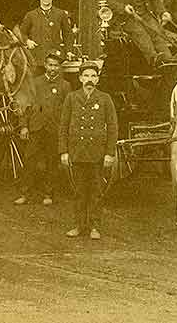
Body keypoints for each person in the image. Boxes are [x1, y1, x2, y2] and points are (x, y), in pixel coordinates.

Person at [58, 60, 117, 240]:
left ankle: (94, 226)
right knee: (78, 191)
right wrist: (64, 151)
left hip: (97, 153)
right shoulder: (72, 98)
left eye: (93, 76)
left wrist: (109, 153)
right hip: (77, 152)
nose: (89, 79)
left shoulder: (105, 99)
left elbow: (113, 126)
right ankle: (78, 225)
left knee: (96, 191)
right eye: (86, 76)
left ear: (97, 79)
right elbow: (63, 125)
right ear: (80, 78)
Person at [15, 50, 71, 207]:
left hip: (53, 129)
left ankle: (48, 194)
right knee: (29, 160)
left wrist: (63, 130)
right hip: (36, 127)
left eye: (56, 66)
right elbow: (25, 106)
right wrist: (24, 126)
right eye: (50, 65)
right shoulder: (35, 82)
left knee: (52, 163)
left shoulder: (65, 86)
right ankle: (25, 193)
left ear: (60, 68)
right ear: (45, 65)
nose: (53, 68)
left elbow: (67, 110)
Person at [19, 0, 74, 72]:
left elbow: (68, 34)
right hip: (37, 58)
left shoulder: (60, 14)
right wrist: (27, 41)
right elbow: (21, 33)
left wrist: (69, 51)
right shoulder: (31, 15)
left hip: (55, 58)